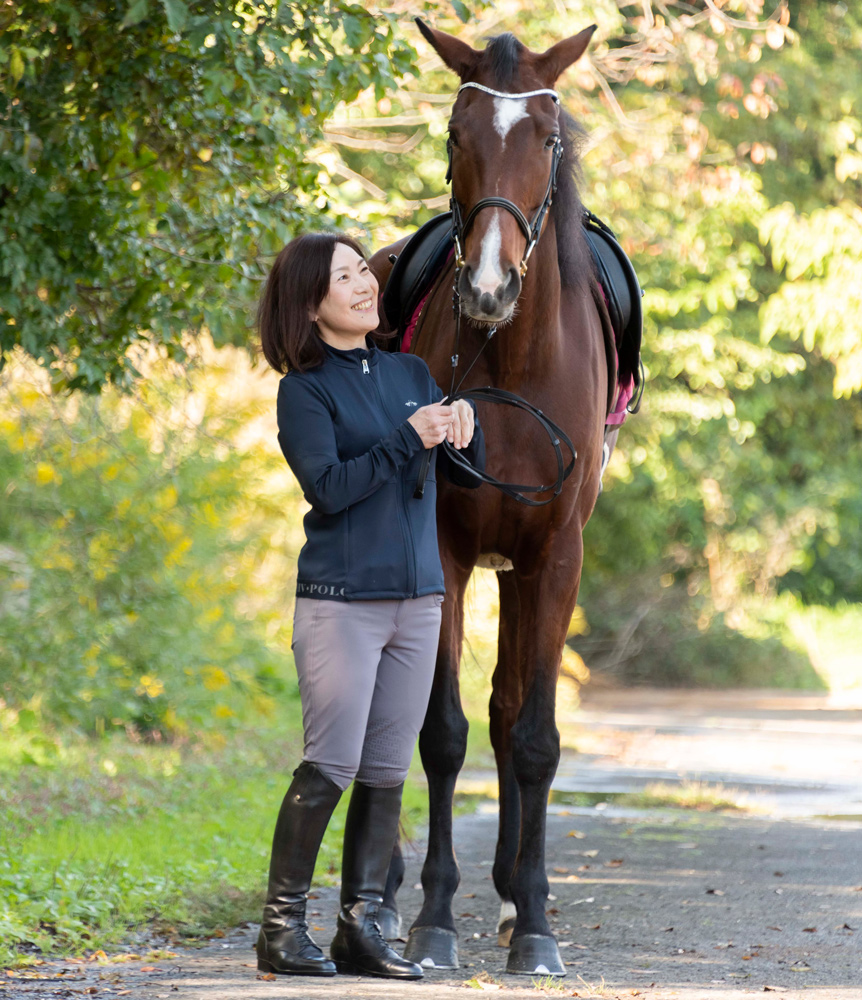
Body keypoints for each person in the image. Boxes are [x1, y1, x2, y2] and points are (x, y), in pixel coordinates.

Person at [255, 232, 485, 980]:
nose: (364, 285)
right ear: (308, 304)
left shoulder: (410, 371)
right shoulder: (304, 391)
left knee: (387, 771)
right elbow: (329, 489)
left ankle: (364, 927)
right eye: (343, 278)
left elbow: (459, 480)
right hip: (342, 602)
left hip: (419, 603)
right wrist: (406, 438)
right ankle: (281, 930)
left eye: (363, 270)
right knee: (331, 764)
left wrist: (465, 433)